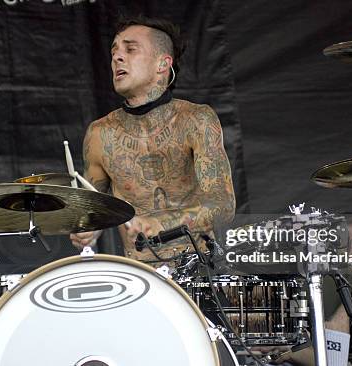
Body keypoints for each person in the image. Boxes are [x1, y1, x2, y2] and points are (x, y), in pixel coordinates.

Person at [70, 16, 236, 263]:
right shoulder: (99, 134)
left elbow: (223, 205)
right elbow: (92, 210)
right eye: (114, 51)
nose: (117, 57)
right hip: (139, 278)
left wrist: (159, 222)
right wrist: (86, 229)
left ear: (162, 64)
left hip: (199, 271)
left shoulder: (196, 119)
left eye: (130, 49)